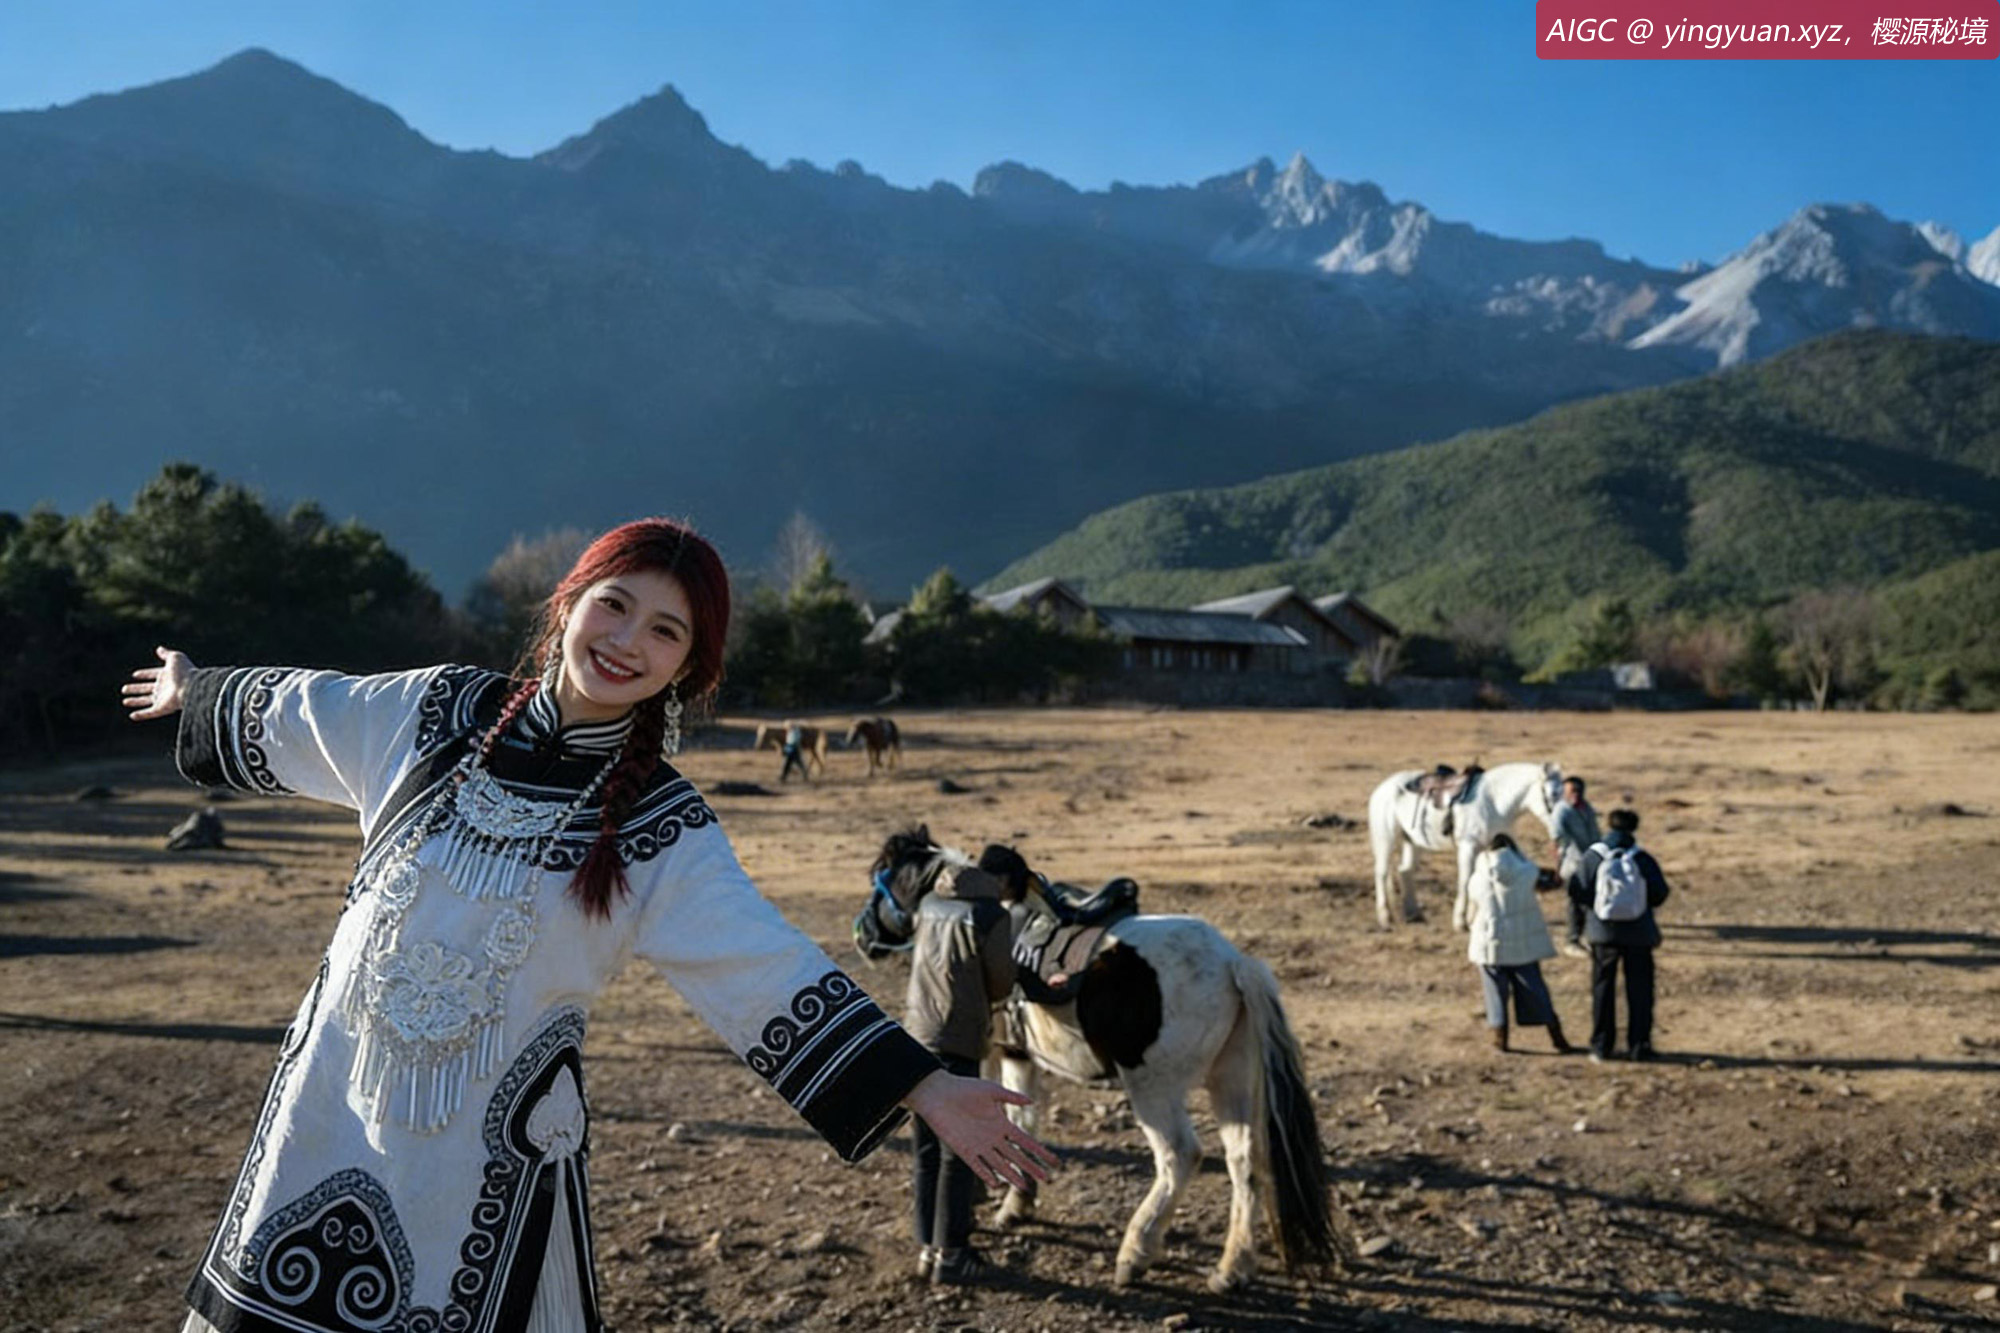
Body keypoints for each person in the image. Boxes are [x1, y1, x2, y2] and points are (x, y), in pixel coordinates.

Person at [123, 517, 1054, 1333]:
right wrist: (198, 690)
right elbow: (307, 706)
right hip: (328, 1108)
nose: (626, 641)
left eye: (664, 632)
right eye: (613, 605)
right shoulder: (433, 712)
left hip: (491, 1152)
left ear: (687, 668)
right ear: (568, 601)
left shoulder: (662, 822)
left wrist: (921, 1082)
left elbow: (760, 961)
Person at [904, 857, 1015, 1285]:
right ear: (997, 883)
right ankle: (952, 1254)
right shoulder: (991, 915)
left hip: (915, 1036)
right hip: (959, 1039)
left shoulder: (930, 902)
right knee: (959, 1152)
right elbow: (1001, 983)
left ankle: (927, 1250)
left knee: (927, 1151)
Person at [1566, 808, 1672, 1063]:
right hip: (1639, 934)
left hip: (1602, 933)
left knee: (1603, 990)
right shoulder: (1642, 857)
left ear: (1608, 826)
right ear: (1634, 828)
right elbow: (1659, 893)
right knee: (1640, 991)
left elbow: (1576, 890)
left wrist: (1595, 912)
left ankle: (1602, 1045)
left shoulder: (1594, 856)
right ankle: (1639, 1045)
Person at [1463, 834, 1572, 1054]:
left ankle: (1500, 1039)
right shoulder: (1528, 872)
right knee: (1536, 989)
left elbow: (1470, 914)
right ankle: (1556, 1035)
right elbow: (1553, 882)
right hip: (1524, 944)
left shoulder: (1477, 878)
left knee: (1494, 993)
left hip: (1489, 944)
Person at [1551, 775, 1601, 958]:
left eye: (1579, 790)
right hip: (1573, 864)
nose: (1576, 794)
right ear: (1564, 792)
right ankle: (1572, 941)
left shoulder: (1586, 808)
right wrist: (1557, 868)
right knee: (1576, 903)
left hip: (1592, 861)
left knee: (1590, 901)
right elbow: (1556, 841)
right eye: (1572, 790)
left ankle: (1588, 936)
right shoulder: (1561, 811)